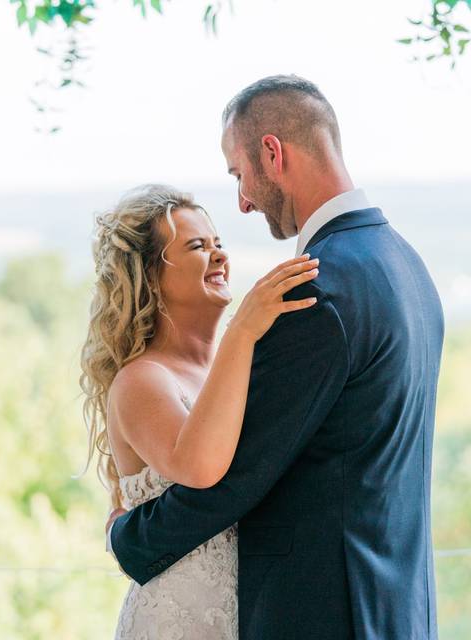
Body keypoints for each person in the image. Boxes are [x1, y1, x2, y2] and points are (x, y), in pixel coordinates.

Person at [105, 75, 444, 639]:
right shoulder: (406, 266)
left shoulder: (315, 291)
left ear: (272, 153)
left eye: (240, 175)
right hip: (397, 607)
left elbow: (236, 475)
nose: (242, 201)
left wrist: (129, 538)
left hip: (329, 613)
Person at [80, 184, 319, 638]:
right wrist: (242, 331)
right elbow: (201, 467)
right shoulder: (142, 380)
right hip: (178, 622)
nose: (218, 256)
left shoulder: (231, 367)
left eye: (218, 244)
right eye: (196, 246)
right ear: (150, 276)